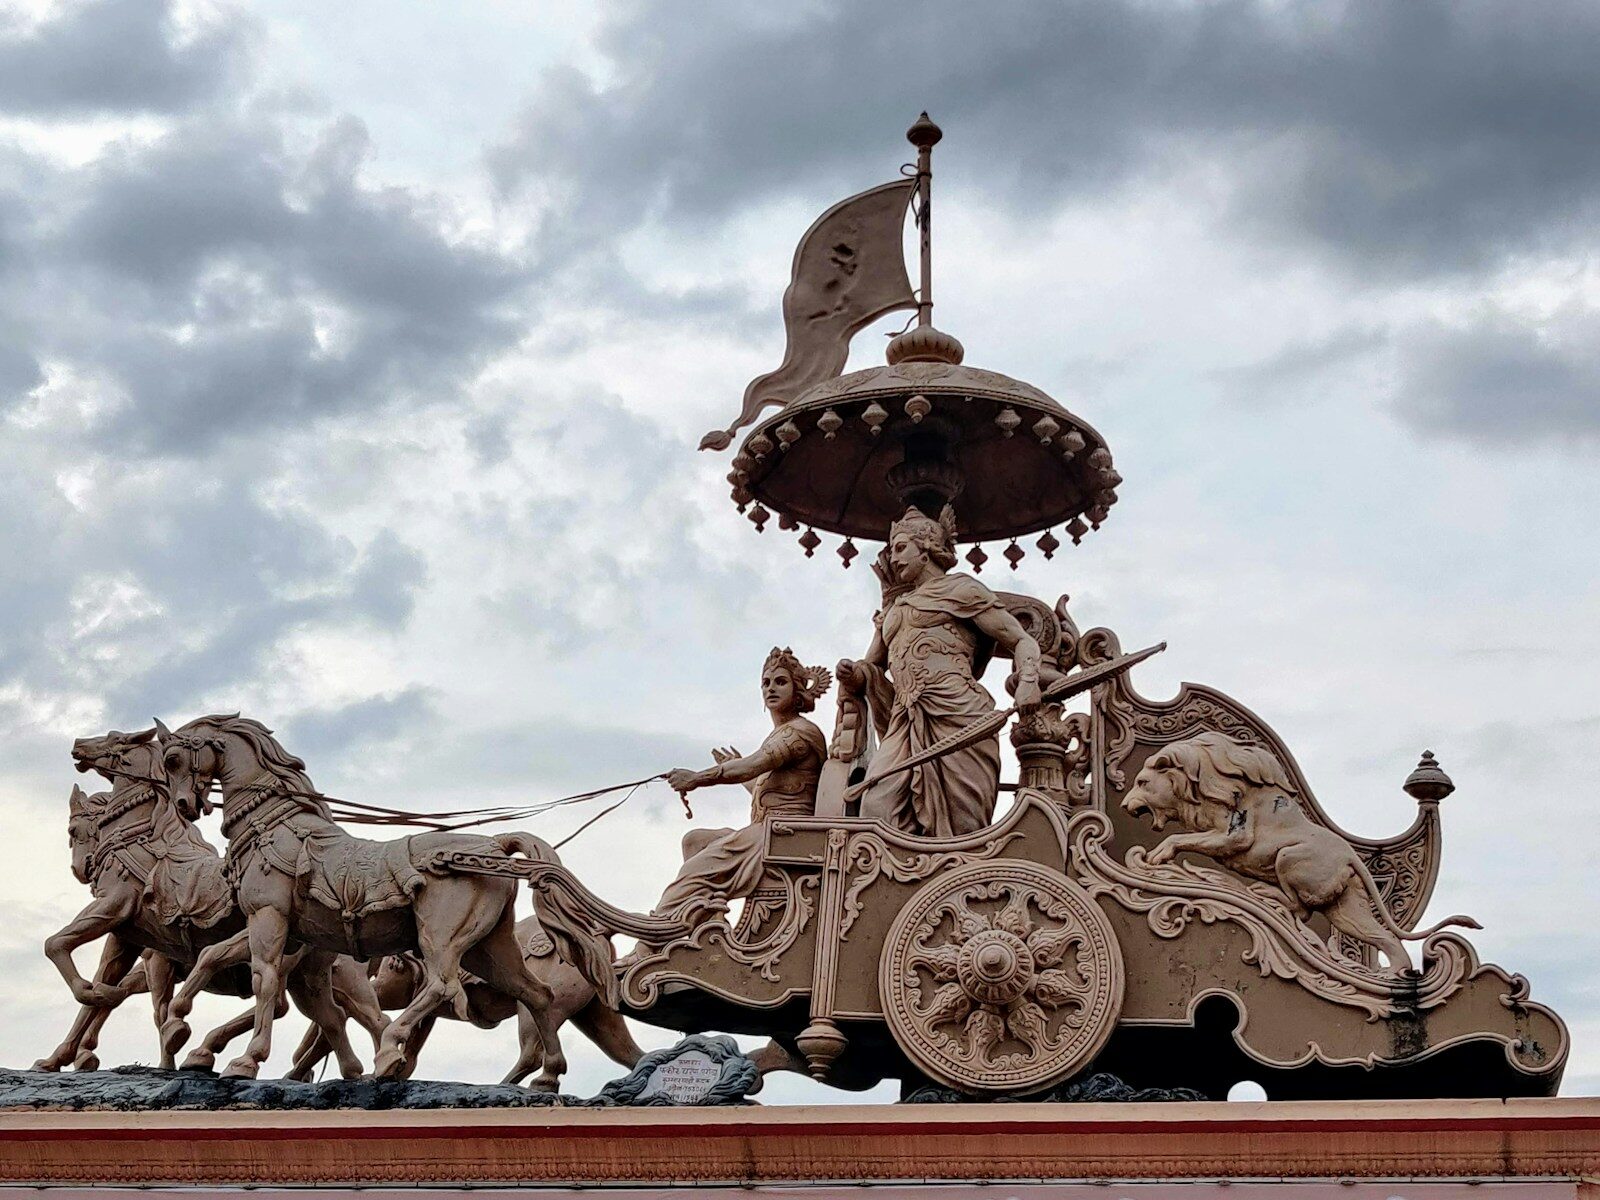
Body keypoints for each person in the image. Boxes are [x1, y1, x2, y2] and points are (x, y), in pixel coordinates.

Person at [836, 504, 1043, 838]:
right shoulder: (894, 612)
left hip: (959, 716)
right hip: (905, 721)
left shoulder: (962, 589)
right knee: (877, 806)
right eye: (891, 551)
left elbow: (1021, 639)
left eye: (901, 548)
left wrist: (1028, 681)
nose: (894, 558)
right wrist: (853, 674)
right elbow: (872, 666)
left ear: (927, 549)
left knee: (964, 825)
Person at [652, 647, 830, 925]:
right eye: (766, 683)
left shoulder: (800, 733)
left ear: (798, 690)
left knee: (692, 877)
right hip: (766, 831)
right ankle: (708, 924)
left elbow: (754, 764)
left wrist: (697, 778)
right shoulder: (782, 733)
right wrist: (744, 775)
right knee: (695, 841)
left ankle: (650, 941)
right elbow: (768, 787)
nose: (771, 688)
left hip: (783, 833)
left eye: (781, 682)